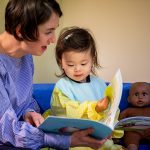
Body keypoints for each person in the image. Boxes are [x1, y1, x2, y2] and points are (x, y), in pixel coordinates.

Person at [0, 0, 108, 150]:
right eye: (48, 31)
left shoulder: (25, 55)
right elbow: (6, 132)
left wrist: (28, 112)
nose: (54, 39)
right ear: (20, 31)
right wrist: (66, 141)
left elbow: (24, 101)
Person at [43, 27, 124, 150]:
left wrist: (111, 128)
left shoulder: (100, 84)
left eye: (83, 63)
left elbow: (113, 110)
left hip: (98, 136)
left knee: (107, 145)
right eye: (70, 64)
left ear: (92, 60)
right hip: (72, 138)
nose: (77, 69)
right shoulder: (62, 86)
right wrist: (95, 108)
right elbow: (65, 112)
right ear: (61, 62)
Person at [119, 82, 150, 150]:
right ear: (129, 99)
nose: (140, 97)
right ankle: (132, 147)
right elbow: (119, 121)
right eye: (136, 94)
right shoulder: (128, 110)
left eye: (144, 94)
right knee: (130, 137)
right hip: (134, 131)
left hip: (148, 130)